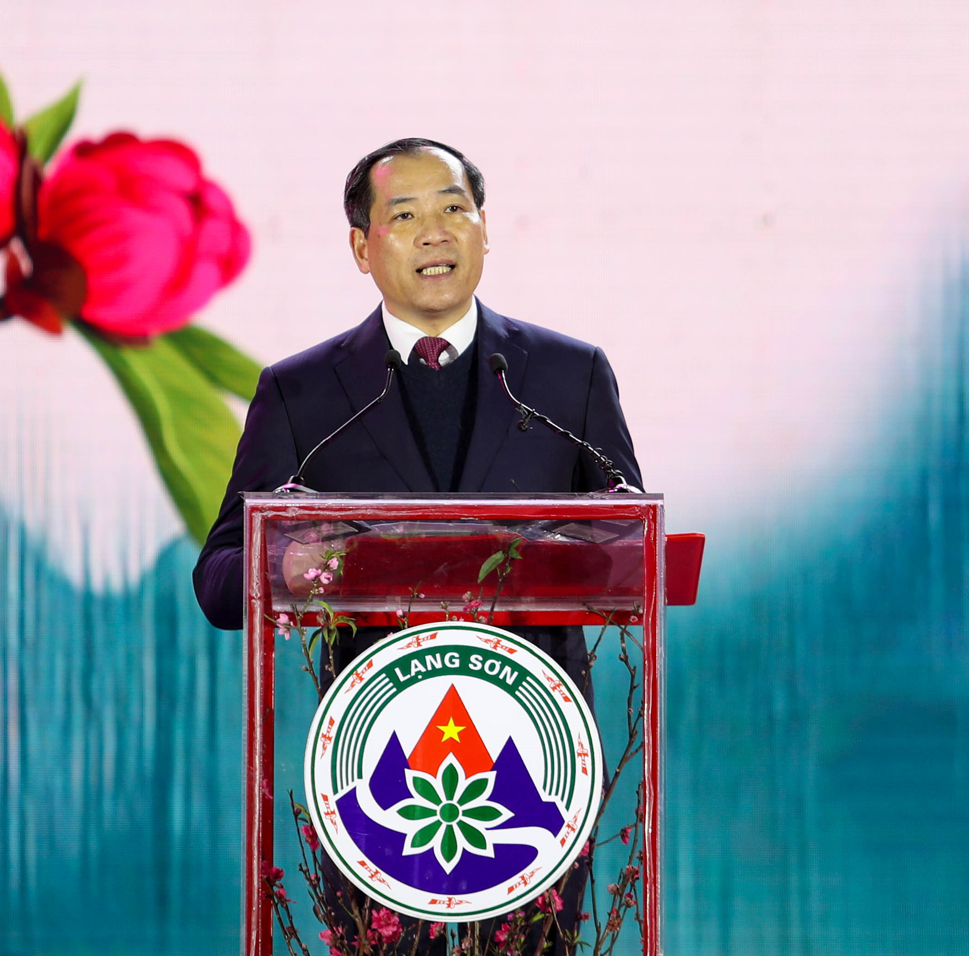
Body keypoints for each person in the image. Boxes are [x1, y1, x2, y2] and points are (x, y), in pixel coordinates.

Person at [192, 137, 642, 952]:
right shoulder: (304, 392)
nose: (435, 232)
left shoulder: (564, 377)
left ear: (484, 229)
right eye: (404, 216)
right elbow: (221, 579)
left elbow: (627, 548)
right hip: (377, 767)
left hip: (533, 762)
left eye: (454, 209)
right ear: (361, 247)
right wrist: (290, 562)